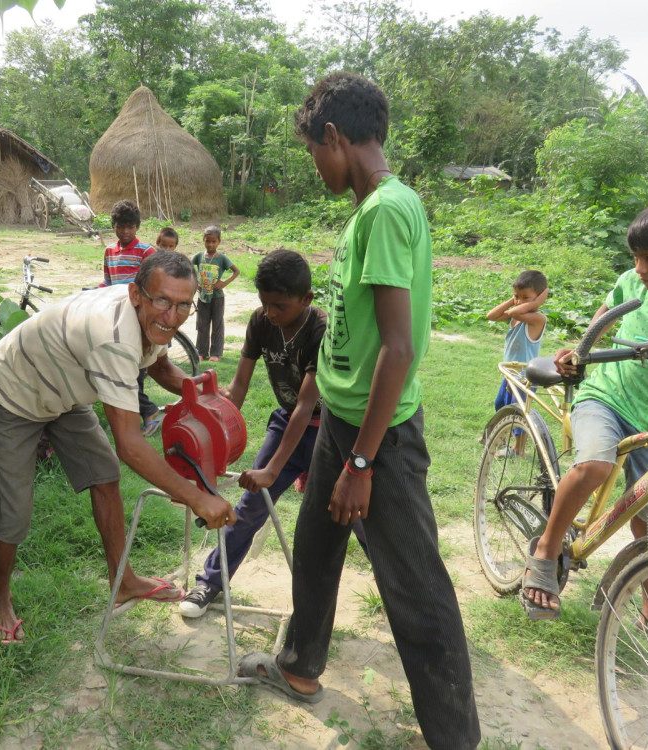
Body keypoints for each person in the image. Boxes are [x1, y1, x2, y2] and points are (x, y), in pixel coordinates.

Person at [235, 72, 480, 750]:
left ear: (335, 137)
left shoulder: (388, 210)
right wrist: (321, 439)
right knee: (315, 552)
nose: (315, 164)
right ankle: (301, 667)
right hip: (339, 424)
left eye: (314, 149)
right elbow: (350, 339)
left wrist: (364, 462)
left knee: (415, 590)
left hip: (382, 438)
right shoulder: (369, 211)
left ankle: (456, 739)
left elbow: (398, 349)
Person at [0, 251, 237, 644]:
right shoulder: (113, 336)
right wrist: (197, 498)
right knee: (15, 508)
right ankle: (0, 599)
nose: (172, 316)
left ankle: (124, 581)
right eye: (163, 302)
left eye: (184, 305)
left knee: (104, 476)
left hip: (65, 392)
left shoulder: (148, 318)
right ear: (136, 294)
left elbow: (157, 365)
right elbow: (131, 446)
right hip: (15, 391)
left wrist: (198, 394)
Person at [522, 197, 648, 632]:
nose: (639, 267)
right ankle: (545, 551)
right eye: (635, 257)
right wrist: (578, 352)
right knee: (596, 464)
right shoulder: (632, 285)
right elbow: (601, 320)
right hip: (605, 397)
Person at [179, 249, 368, 618]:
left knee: (357, 515)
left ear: (307, 299)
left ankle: (401, 599)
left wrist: (272, 469)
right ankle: (210, 582)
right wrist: (210, 424)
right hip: (285, 423)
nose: (271, 313)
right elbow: (238, 389)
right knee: (251, 508)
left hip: (330, 430)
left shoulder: (321, 329)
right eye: (265, 303)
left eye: (280, 306)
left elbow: (305, 403)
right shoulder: (260, 322)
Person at [99, 200, 163, 435]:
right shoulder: (109, 252)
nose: (125, 231)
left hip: (138, 320)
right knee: (117, 369)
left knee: (132, 371)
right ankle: (127, 416)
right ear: (113, 226)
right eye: (120, 226)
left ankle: (148, 411)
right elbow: (108, 282)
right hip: (115, 319)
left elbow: (153, 286)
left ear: (137, 227)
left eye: (130, 226)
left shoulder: (147, 252)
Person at [485, 270, 549, 456]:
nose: (520, 301)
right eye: (516, 297)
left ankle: (518, 449)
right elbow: (491, 315)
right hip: (511, 374)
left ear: (540, 297)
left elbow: (514, 311)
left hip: (525, 376)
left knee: (520, 412)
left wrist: (535, 304)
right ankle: (504, 437)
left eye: (526, 298)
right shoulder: (517, 315)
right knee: (502, 405)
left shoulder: (537, 318)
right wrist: (516, 300)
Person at [191, 226, 239, 361]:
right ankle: (201, 352)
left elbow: (236, 271)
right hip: (202, 297)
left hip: (217, 297)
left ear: (219, 242)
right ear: (203, 240)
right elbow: (188, 268)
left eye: (214, 241)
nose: (210, 244)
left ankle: (215, 354)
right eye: (207, 241)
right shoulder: (199, 256)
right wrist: (196, 282)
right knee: (202, 324)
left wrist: (224, 283)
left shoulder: (222, 258)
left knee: (217, 324)